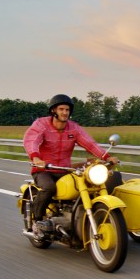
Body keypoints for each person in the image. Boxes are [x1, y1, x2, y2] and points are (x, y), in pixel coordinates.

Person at [23, 94, 119, 237]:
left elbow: (89, 144)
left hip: (65, 169)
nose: (65, 112)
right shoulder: (41, 125)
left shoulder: (73, 128)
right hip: (44, 169)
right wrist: (36, 157)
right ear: (53, 111)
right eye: (61, 109)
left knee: (89, 185)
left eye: (67, 110)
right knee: (49, 187)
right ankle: (37, 222)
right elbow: (31, 140)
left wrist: (107, 157)